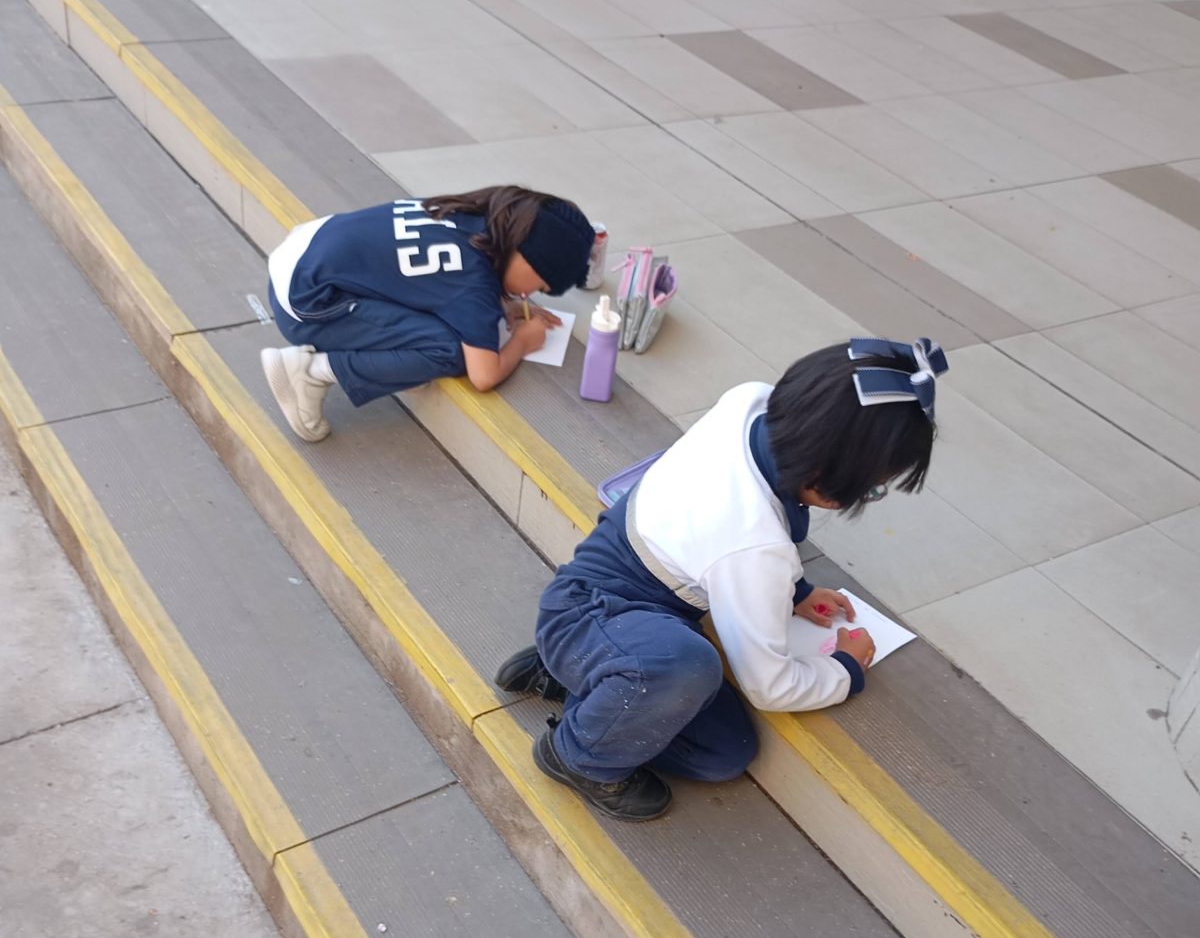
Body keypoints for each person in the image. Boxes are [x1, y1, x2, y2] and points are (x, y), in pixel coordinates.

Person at [496, 337, 945, 822]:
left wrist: (796, 591)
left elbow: (713, 528)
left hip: (593, 600)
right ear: (826, 478)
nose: (870, 496)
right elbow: (769, 686)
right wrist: (844, 669)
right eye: (873, 489)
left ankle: (577, 671)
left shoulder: (751, 400)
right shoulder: (756, 549)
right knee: (718, 751)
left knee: (720, 741)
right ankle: (579, 754)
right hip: (602, 617)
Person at [260, 187, 594, 441]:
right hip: (308, 307)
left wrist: (501, 302)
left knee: (441, 315)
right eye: (539, 283)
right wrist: (522, 341)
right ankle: (310, 372)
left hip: (300, 258)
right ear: (528, 255)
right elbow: (484, 376)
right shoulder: (473, 284)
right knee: (449, 350)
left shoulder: (472, 215)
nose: (527, 295)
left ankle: (383, 362)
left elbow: (429, 274)